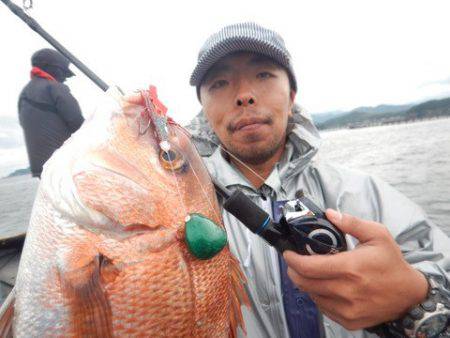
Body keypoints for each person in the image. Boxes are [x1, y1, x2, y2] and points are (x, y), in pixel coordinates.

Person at [187, 23, 450, 337]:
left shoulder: (361, 192)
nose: (244, 95)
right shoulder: (175, 210)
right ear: (203, 106)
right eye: (219, 82)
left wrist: (416, 298)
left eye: (263, 75)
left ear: (292, 94)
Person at [18, 48, 84, 178]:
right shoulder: (54, 88)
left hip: (42, 170)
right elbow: (78, 125)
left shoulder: (23, 95)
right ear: (54, 69)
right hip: (64, 164)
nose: (65, 78)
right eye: (64, 73)